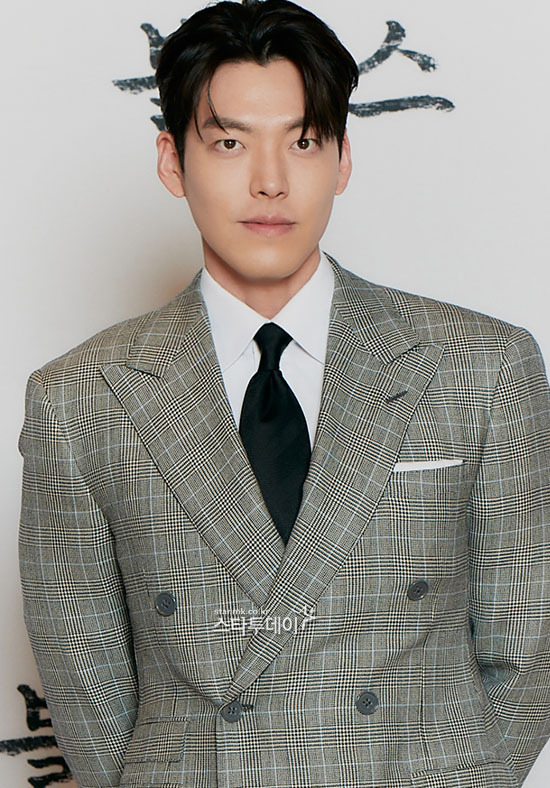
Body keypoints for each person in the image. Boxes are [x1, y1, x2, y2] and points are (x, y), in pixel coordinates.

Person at [18, 1, 550, 787]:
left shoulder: (483, 368)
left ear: (341, 159)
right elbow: (86, 684)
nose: (270, 182)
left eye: (302, 142)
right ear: (172, 162)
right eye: (229, 143)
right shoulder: (80, 399)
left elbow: (528, 652)